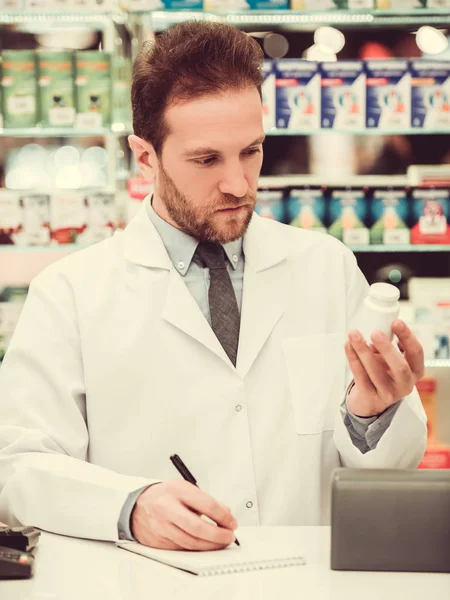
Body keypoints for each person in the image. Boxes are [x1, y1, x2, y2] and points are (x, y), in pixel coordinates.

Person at [0, 22, 427, 552]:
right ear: (146, 156)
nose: (239, 184)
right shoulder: (70, 292)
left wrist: (373, 414)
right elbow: (20, 468)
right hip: (145, 582)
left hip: (301, 582)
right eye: (207, 159)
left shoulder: (325, 266)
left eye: (251, 151)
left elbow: (389, 465)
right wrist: (129, 506)